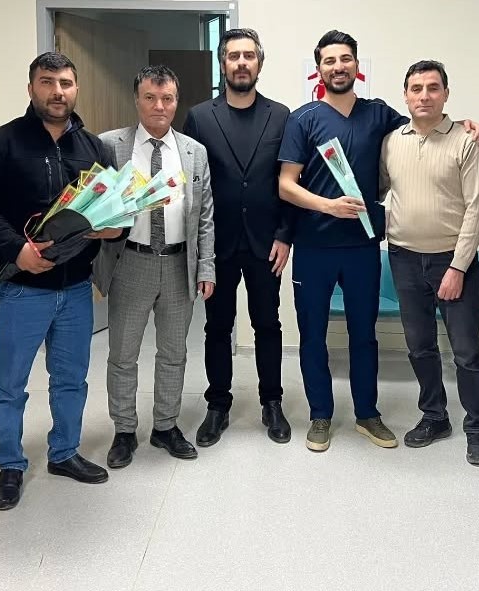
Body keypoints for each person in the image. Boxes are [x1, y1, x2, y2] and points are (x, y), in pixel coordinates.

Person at [277, 30, 479, 452]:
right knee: (313, 335)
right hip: (314, 247)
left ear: (357, 66)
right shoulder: (303, 118)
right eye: (330, 60)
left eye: (346, 59)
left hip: (362, 248)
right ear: (319, 69)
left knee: (363, 335)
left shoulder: (379, 115)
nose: (339, 67)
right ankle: (320, 415)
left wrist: (467, 123)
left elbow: (425, 122)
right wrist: (328, 206)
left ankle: (367, 413)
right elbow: (285, 184)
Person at [0, 52, 120, 511]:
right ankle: (10, 465)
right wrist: (16, 249)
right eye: (48, 82)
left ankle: (64, 453)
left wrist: (114, 228)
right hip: (20, 287)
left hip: (75, 289)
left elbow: (116, 209)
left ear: (76, 89)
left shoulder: (95, 149)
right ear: (31, 87)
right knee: (9, 384)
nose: (58, 92)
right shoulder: (1, 143)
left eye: (66, 83)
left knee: (71, 380)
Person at [93, 65, 216, 468]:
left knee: (174, 353)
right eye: (150, 97)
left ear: (176, 102)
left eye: (167, 98)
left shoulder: (194, 152)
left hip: (180, 264)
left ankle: (165, 426)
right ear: (137, 99)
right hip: (131, 261)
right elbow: (94, 207)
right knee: (123, 354)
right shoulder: (110, 146)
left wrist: (206, 267)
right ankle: (124, 430)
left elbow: (205, 216)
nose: (159, 106)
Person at [380, 60, 479, 466]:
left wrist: (458, 268)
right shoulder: (391, 142)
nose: (424, 96)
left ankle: (477, 429)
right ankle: (435, 417)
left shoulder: (467, 141)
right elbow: (378, 189)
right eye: (416, 88)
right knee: (419, 346)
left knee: (466, 351)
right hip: (403, 258)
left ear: (446, 94)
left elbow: (476, 210)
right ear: (405, 95)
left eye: (433, 88)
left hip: (452, 260)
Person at [183, 28, 293, 447]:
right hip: (217, 244)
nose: (242, 62)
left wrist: (285, 234)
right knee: (217, 326)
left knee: (268, 324)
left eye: (249, 55)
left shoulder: (281, 116)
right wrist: (197, 247)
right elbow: (191, 184)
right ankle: (218, 405)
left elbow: (290, 179)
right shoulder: (199, 117)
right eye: (234, 56)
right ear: (222, 63)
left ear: (259, 63)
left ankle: (272, 402)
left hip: (267, 244)